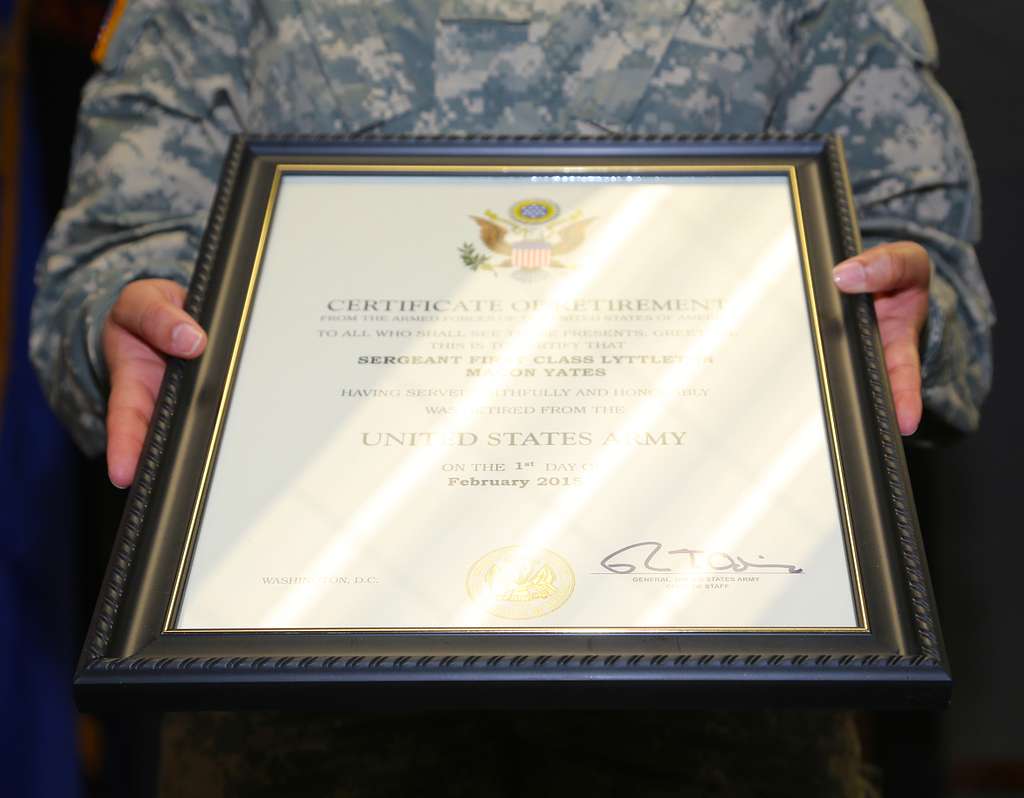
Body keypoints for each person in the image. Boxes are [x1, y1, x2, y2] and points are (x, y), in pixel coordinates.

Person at [30, 1, 993, 795]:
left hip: (727, 723)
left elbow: (919, 256)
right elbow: (118, 247)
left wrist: (901, 319)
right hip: (287, 728)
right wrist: (121, 325)